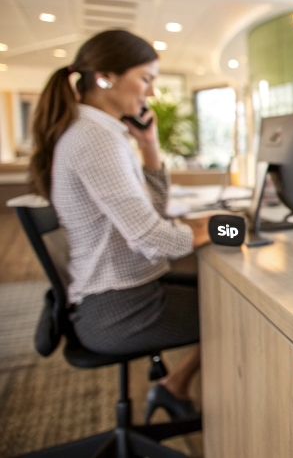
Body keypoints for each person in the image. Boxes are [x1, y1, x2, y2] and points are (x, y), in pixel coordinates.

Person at [29, 29, 209, 423]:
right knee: (233, 311)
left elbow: (153, 215)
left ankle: (174, 386)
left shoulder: (98, 132)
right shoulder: (95, 138)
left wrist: (148, 146)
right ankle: (198, 404)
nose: (150, 93)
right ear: (107, 77)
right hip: (117, 311)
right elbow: (152, 238)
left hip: (117, 296)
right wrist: (213, 229)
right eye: (145, 78)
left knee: (218, 296)